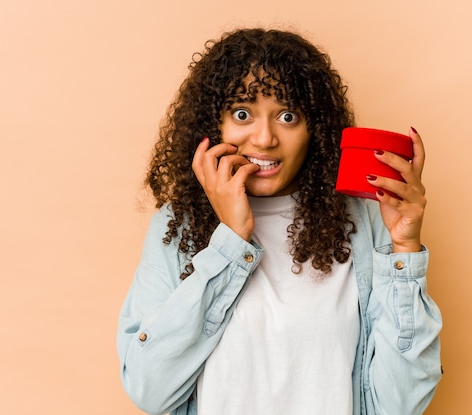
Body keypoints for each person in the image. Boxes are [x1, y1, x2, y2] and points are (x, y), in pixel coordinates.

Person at [116, 27, 442, 415]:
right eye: (242, 113)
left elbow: (398, 405)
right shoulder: (178, 227)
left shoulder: (362, 223)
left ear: (315, 130)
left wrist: (404, 248)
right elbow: (149, 389)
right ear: (213, 125)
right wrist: (231, 241)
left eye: (288, 116)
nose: (265, 138)